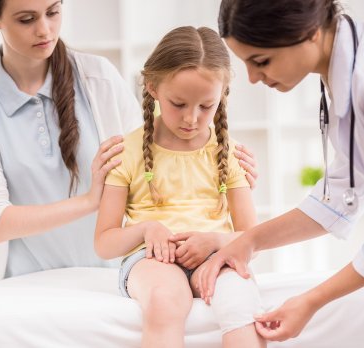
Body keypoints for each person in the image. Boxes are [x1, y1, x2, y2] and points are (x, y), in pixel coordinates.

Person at [0, 0, 257, 281]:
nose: (45, 29)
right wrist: (89, 201)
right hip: (29, 283)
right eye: (26, 19)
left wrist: (223, 171)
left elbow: (154, 160)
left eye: (53, 12)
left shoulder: (98, 78)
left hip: (114, 278)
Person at [199, 0, 364, 342]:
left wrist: (311, 301)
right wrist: (247, 241)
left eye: (261, 61)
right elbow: (339, 197)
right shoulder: (345, 75)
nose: (252, 78)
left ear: (308, 32)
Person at [94, 26, 266, 348]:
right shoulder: (126, 152)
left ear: (222, 95)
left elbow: (251, 238)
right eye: (178, 104)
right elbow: (104, 243)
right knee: (165, 300)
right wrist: (147, 229)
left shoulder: (229, 153)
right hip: (149, 260)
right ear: (152, 87)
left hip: (217, 254)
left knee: (240, 299)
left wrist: (216, 241)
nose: (191, 118)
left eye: (206, 106)